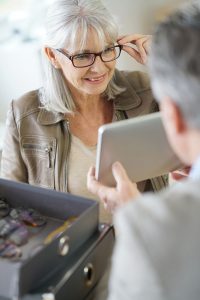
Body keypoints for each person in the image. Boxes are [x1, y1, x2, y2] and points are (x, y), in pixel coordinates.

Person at [1, 0, 166, 223]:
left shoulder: (145, 89)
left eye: (107, 50)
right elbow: (7, 202)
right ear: (52, 55)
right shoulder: (24, 114)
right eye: (82, 56)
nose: (98, 68)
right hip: (73, 254)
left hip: (145, 244)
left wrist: (169, 68)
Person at [87, 1, 200, 299]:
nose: (97, 66)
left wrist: (136, 217)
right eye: (84, 55)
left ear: (170, 116)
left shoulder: (148, 231)